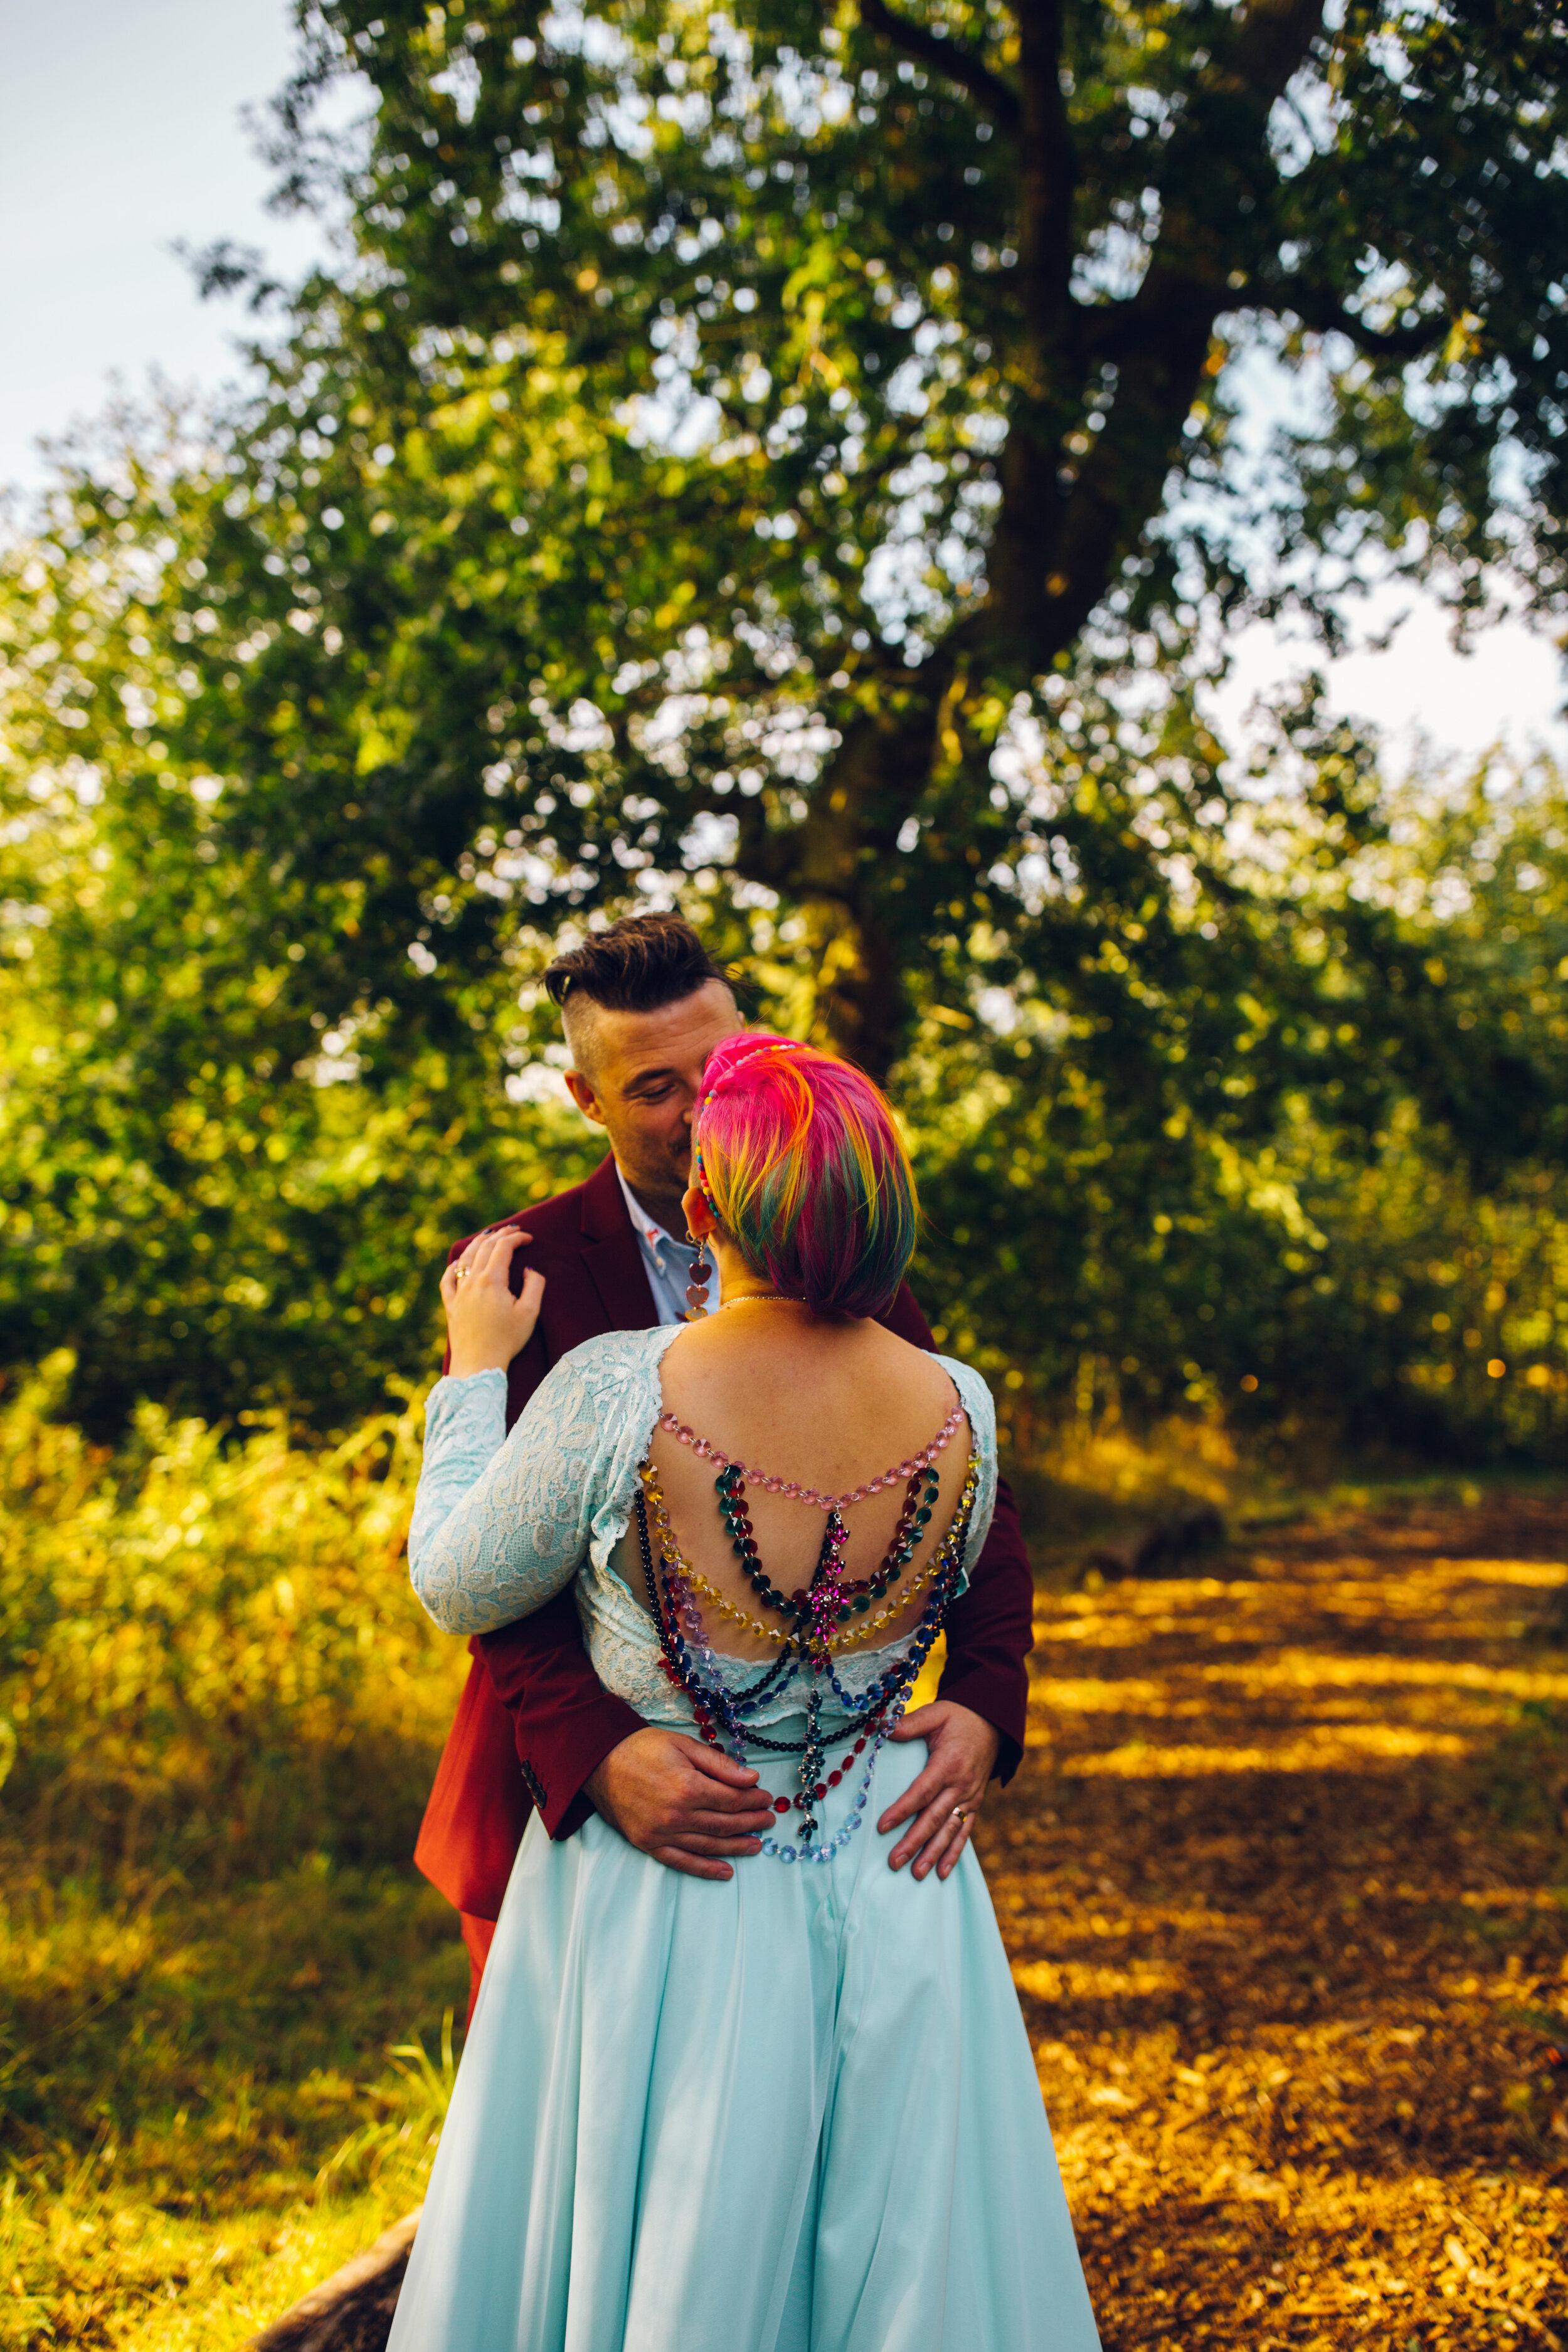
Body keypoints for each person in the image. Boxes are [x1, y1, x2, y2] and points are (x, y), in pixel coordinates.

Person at [389, 1032, 1100, 2352]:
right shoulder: (959, 1404)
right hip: (893, 1871)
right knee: (893, 2254)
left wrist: (474, 1371)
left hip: (671, 1890)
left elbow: (455, 1582)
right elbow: (968, 1578)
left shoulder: (614, 1389)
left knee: (673, 2242)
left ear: (707, 1208)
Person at [413, 914, 1041, 2020]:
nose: (704, 1110)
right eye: (657, 1086)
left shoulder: (845, 1251)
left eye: (719, 1067)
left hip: (827, 1822)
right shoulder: (522, 1273)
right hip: (564, 1801)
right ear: (586, 1099)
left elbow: (964, 1491)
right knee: (562, 2130)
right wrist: (599, 1750)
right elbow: (504, 1571)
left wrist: (988, 1695)